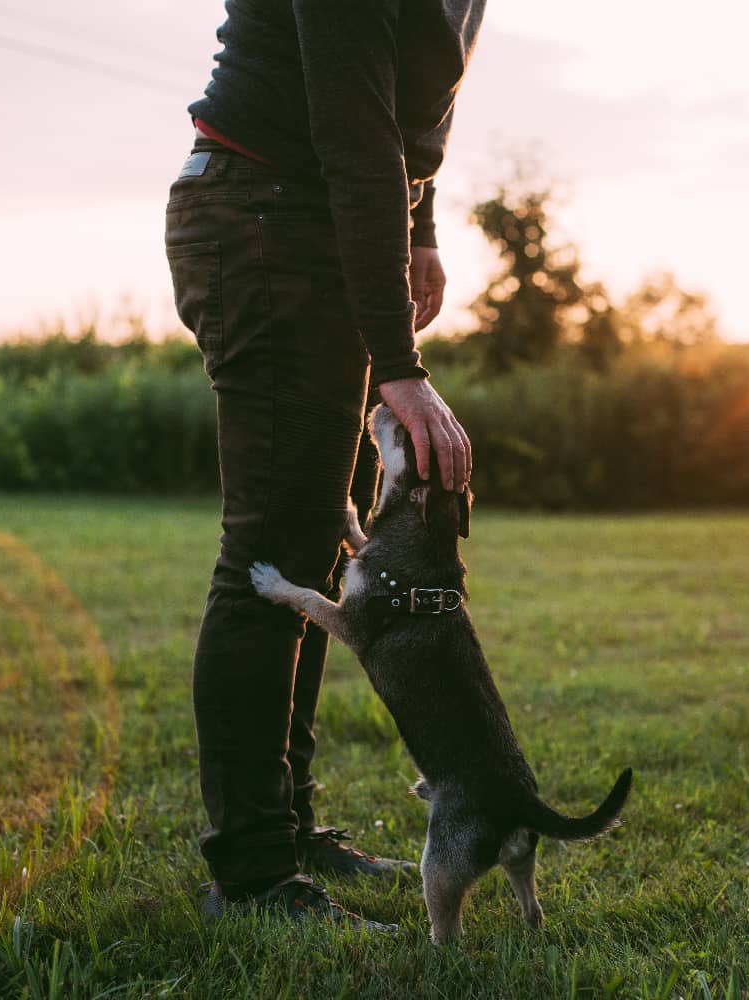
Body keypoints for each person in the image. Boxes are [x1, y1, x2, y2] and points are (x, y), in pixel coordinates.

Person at [164, 0, 485, 930]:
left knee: (312, 546)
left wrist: (419, 226)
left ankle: (290, 833)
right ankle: (253, 875)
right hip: (261, 209)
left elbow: (421, 99)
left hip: (311, 214)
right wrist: (400, 367)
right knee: (270, 549)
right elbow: (353, 127)